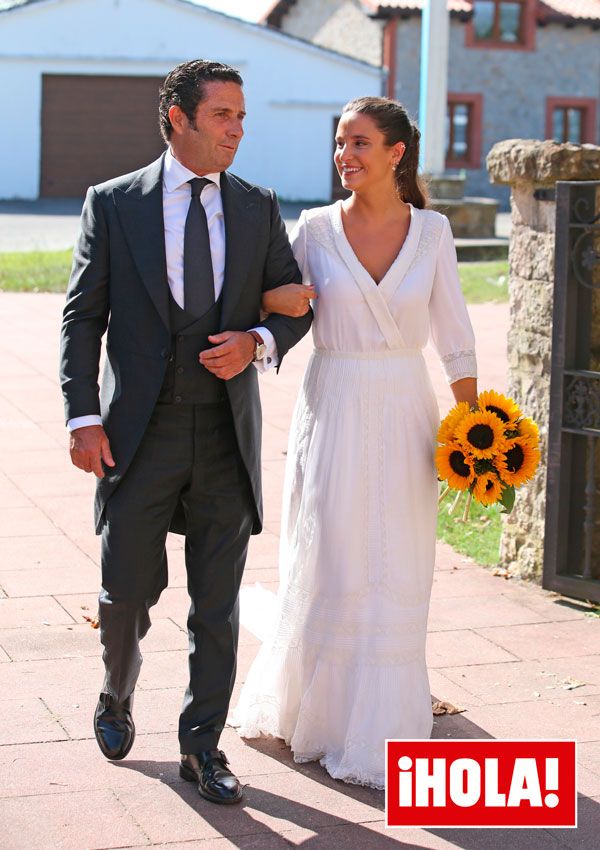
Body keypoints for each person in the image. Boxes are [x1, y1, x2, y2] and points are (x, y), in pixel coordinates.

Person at [59, 59, 312, 805]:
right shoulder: (113, 204)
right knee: (126, 592)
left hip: (224, 434)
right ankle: (116, 690)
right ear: (179, 118)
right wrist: (82, 415)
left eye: (242, 115)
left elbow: (293, 304)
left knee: (218, 605)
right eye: (224, 115)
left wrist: (257, 344)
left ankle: (202, 747)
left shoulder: (259, 206)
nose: (239, 128)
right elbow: (83, 317)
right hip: (138, 433)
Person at [232, 97, 478, 789]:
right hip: (333, 402)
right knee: (334, 553)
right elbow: (276, 300)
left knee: (398, 559)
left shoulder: (433, 233)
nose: (345, 154)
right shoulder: (311, 229)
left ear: (397, 153)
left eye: (360, 143)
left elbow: (456, 337)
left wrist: (475, 434)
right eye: (340, 142)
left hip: (406, 408)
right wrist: (266, 306)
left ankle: (385, 721)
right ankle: (323, 713)